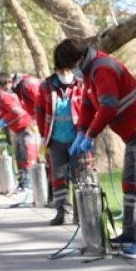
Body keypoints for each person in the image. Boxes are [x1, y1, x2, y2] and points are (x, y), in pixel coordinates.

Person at [53, 38, 136, 259]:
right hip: (133, 136)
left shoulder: (102, 68)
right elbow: (87, 104)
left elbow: (108, 106)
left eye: (69, 67)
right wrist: (82, 131)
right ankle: (130, 234)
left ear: (77, 59)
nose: (70, 72)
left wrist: (91, 135)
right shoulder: (89, 72)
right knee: (129, 185)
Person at [33, 65, 86, 226]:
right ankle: (62, 212)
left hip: (77, 139)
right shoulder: (47, 86)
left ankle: (80, 214)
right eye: (61, 71)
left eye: (67, 70)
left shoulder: (81, 84)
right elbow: (40, 111)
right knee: (58, 178)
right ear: (56, 70)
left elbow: (89, 108)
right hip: (56, 140)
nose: (65, 74)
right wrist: (43, 135)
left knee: (80, 177)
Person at [0, 77, 39, 205]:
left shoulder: (2, 97)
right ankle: (23, 182)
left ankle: (29, 182)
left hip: (25, 127)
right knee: (19, 156)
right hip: (16, 129)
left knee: (27, 155)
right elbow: (3, 113)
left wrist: (5, 119)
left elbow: (17, 111)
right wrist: (1, 119)